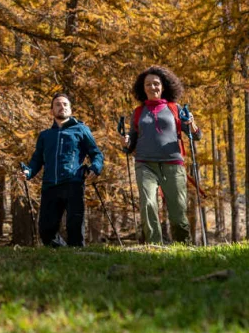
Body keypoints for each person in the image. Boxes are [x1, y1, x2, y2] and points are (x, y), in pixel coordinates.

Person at [121, 66, 201, 245]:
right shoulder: (138, 112)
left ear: (163, 86)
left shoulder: (175, 108)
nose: (152, 87)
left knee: (178, 211)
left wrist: (192, 123)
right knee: (148, 204)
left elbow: (196, 136)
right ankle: (154, 246)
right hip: (145, 164)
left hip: (173, 164)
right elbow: (131, 143)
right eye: (148, 84)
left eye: (156, 83)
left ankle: (183, 246)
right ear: (143, 88)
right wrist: (126, 143)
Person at [22, 92, 104, 247]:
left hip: (73, 183)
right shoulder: (45, 135)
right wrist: (28, 172)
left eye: (65, 104)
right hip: (50, 185)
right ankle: (62, 252)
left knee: (74, 226)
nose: (62, 107)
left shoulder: (81, 130)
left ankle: (77, 254)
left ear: (70, 109)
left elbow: (96, 154)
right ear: (51, 111)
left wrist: (95, 168)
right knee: (46, 231)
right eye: (58, 105)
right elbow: (37, 160)